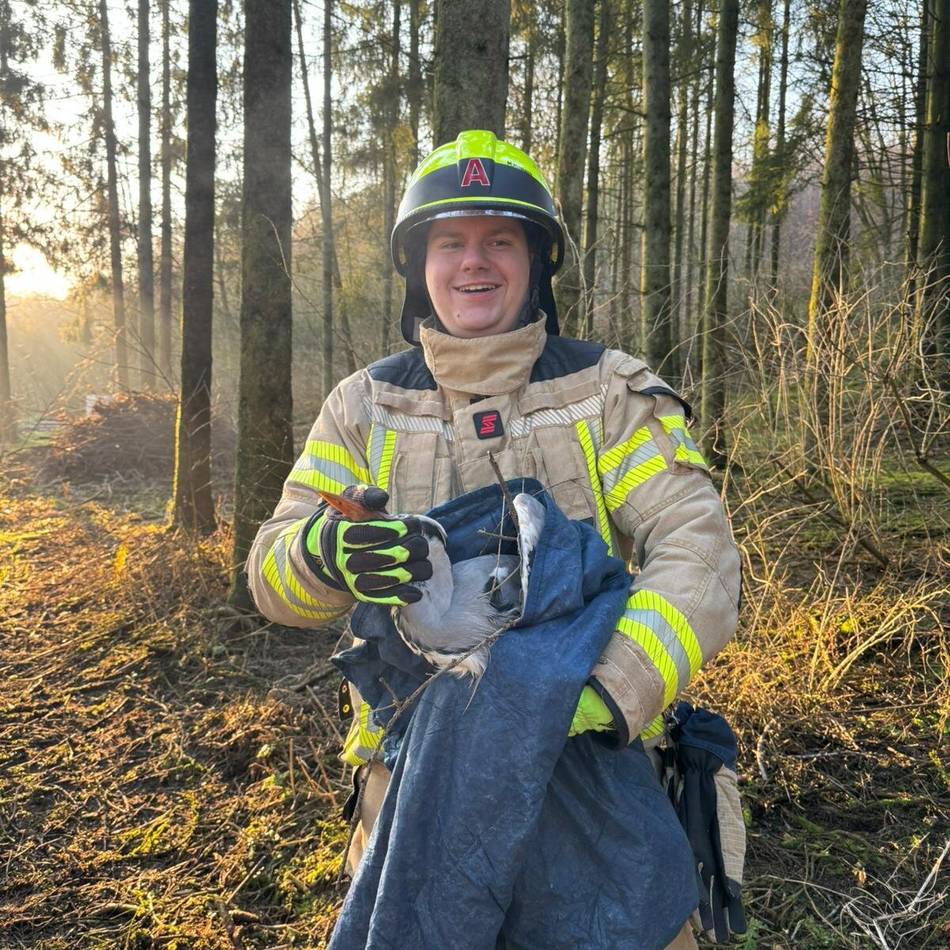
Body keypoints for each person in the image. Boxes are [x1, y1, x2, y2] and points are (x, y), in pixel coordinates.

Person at [247, 130, 742, 950]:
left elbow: (701, 555)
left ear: (536, 262)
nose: (474, 263)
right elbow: (272, 573)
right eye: (451, 243)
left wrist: (600, 694)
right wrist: (323, 554)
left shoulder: (608, 392)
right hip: (414, 781)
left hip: (592, 777)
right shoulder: (363, 405)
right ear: (419, 266)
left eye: (499, 240)